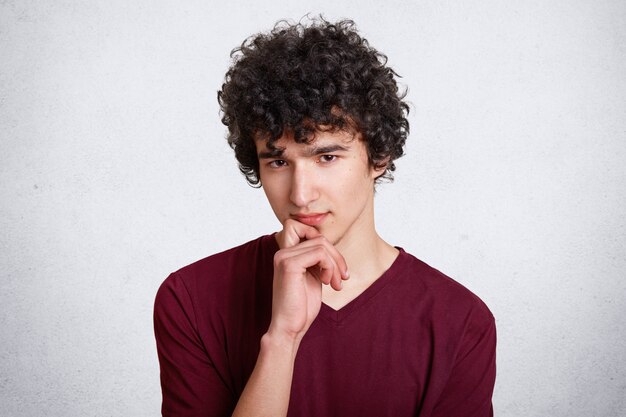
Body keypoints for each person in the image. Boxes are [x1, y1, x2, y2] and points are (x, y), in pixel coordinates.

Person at [154, 17, 496, 417]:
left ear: (379, 157)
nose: (300, 194)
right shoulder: (192, 299)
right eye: (278, 161)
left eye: (327, 157)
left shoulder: (459, 321)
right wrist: (282, 339)